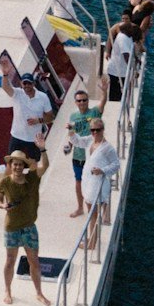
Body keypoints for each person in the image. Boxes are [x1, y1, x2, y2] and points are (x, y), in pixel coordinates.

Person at [0, 149, 50, 305]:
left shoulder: (32, 178)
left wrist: (42, 149)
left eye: (20, 165)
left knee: (34, 261)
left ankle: (39, 293)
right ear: (10, 165)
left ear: (24, 166)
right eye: (15, 164)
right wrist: (2, 205)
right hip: (11, 227)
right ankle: (7, 290)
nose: (18, 167)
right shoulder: (4, 182)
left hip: (29, 227)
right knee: (10, 260)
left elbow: (45, 165)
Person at [0, 52, 52, 160]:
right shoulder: (17, 93)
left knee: (35, 166)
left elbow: (50, 117)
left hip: (34, 139)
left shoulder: (43, 97)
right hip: (17, 136)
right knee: (11, 162)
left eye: (29, 83)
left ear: (33, 84)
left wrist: (38, 120)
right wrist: (5, 74)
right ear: (21, 84)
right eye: (24, 83)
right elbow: (5, 87)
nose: (27, 86)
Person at [81, 123, 119, 249]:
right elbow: (78, 141)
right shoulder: (90, 141)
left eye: (98, 130)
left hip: (97, 184)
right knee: (91, 212)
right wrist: (71, 132)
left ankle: (92, 244)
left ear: (103, 130)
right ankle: (92, 238)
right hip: (88, 181)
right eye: (92, 130)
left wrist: (102, 170)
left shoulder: (107, 147)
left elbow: (116, 164)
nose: (95, 132)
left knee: (93, 214)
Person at [63, 89, 101, 217]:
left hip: (92, 156)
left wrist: (105, 92)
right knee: (79, 181)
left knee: (93, 182)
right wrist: (69, 145)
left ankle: (94, 209)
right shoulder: (73, 117)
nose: (82, 102)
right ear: (76, 102)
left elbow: (103, 104)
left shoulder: (94, 112)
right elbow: (73, 134)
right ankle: (80, 208)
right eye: (79, 100)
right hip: (78, 155)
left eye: (84, 100)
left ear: (88, 101)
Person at [104, 19, 135, 103]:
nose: (133, 30)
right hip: (117, 72)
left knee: (120, 93)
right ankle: (113, 106)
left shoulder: (128, 37)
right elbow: (126, 56)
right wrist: (133, 69)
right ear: (127, 30)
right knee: (115, 94)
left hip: (121, 71)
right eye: (132, 28)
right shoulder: (122, 38)